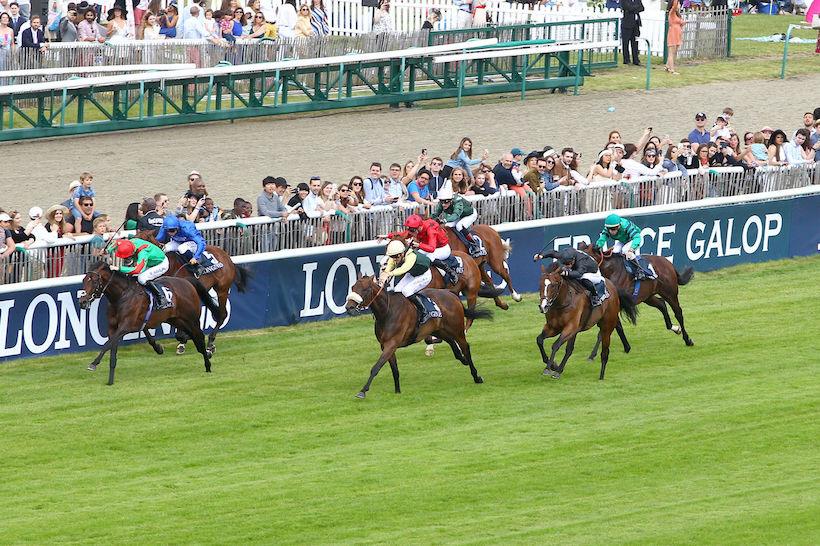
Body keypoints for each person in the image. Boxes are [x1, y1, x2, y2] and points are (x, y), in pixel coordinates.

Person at [382, 214, 457, 285]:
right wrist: (387, 236)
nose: (410, 233)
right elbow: (403, 235)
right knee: (416, 255)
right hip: (428, 247)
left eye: (412, 230)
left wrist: (419, 245)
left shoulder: (430, 230)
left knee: (429, 258)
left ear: (419, 228)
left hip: (442, 248)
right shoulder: (415, 229)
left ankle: (450, 272)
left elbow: (432, 249)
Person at [380, 239, 438, 324]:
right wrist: (384, 275)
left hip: (424, 275)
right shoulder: (395, 256)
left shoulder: (411, 256)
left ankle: (424, 312)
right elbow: (390, 265)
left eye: (395, 256)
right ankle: (403, 312)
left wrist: (389, 274)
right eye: (392, 257)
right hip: (412, 274)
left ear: (401, 254)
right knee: (397, 290)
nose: (394, 259)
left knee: (406, 291)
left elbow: (404, 269)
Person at [110, 238, 172, 309]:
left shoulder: (143, 253)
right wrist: (107, 251)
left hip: (160, 264)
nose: (126, 259)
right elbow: (117, 242)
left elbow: (137, 270)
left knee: (142, 278)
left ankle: (163, 298)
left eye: (127, 257)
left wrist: (119, 268)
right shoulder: (130, 242)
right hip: (150, 262)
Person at [535, 247, 608, 307]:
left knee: (584, 278)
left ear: (573, 260)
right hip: (577, 269)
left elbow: (579, 273)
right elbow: (552, 252)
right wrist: (541, 256)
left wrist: (565, 273)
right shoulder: (563, 255)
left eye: (569, 264)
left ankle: (595, 296)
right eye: (565, 264)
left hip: (592, 272)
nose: (567, 266)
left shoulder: (582, 262)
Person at [595, 213, 650, 280]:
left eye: (614, 228)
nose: (611, 231)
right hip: (624, 240)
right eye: (609, 228)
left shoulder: (625, 226)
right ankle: (621, 269)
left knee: (625, 250)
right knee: (615, 251)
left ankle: (640, 271)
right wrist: (598, 246)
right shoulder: (607, 229)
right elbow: (602, 238)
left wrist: (631, 249)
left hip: (636, 239)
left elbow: (637, 237)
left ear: (619, 226)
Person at [433, 186, 484, 257]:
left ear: (451, 200)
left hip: (469, 214)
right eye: (442, 202)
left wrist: (444, 220)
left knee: (459, 226)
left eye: (446, 202)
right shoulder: (442, 203)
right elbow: (436, 214)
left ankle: (474, 245)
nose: (443, 204)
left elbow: (455, 215)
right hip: (459, 215)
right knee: (448, 226)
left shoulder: (458, 202)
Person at [621, 0, 644, 66]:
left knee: (635, 42)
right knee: (626, 43)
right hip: (627, 23)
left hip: (636, 24)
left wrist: (633, 8)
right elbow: (627, 7)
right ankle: (626, 60)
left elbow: (642, 8)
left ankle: (636, 60)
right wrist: (636, 8)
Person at [665, 0, 683, 74]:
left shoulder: (677, 14)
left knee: (675, 52)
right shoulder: (671, 12)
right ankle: (672, 69)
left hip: (677, 33)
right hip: (673, 33)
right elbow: (674, 6)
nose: (679, 5)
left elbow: (680, 22)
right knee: (671, 52)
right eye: (678, 3)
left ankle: (667, 66)